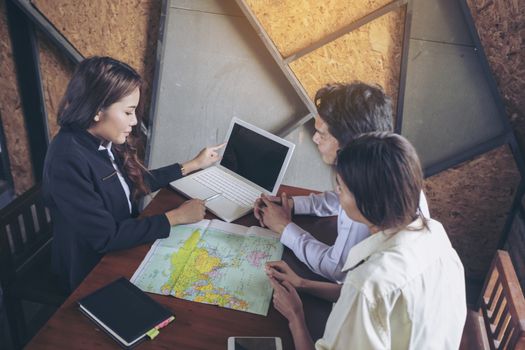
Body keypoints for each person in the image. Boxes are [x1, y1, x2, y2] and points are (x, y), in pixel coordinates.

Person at [266, 132, 466, 349]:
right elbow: (374, 302)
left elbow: (366, 295)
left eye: (341, 187)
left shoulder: (367, 283)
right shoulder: (435, 234)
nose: (336, 191)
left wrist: (295, 316)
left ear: (366, 202)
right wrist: (303, 284)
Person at [43, 56, 223, 291]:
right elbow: (106, 237)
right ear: (97, 111)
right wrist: (175, 217)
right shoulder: (67, 158)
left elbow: (132, 182)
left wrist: (193, 164)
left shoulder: (101, 138)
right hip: (92, 267)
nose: (135, 121)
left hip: (123, 243)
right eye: (128, 112)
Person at [255, 82, 429, 282]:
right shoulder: (386, 172)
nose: (314, 138)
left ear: (350, 143)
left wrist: (284, 227)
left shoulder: (367, 205)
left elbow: (337, 269)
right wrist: (294, 205)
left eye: (322, 134)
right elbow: (339, 198)